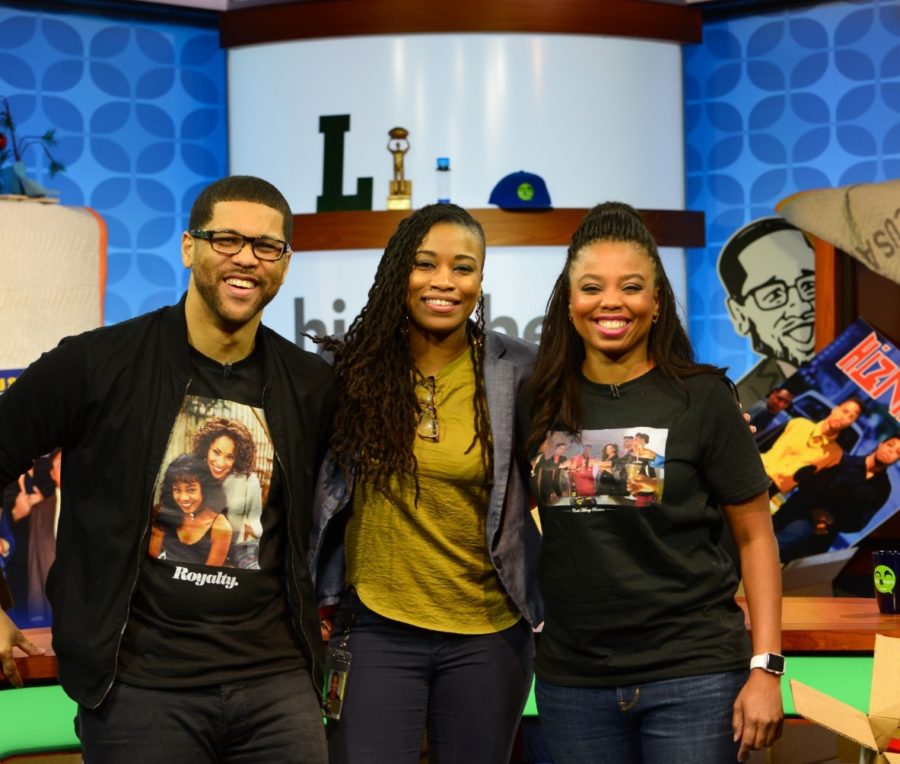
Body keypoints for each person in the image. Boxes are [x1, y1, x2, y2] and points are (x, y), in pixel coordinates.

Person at [0, 175, 336, 763]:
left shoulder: (310, 386)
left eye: (266, 247)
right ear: (189, 247)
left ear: (284, 264)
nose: (246, 259)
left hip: (277, 685)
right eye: (227, 239)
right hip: (139, 689)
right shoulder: (95, 364)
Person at [519, 202, 783, 763]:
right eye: (592, 287)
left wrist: (766, 667)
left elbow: (757, 537)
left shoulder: (704, 397)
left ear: (656, 301)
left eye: (631, 287)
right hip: (572, 681)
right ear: (569, 302)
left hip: (694, 676)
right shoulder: (536, 400)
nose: (611, 302)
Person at [309, 203, 540, 764]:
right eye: (424, 264)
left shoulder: (523, 371)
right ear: (397, 273)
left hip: (489, 636)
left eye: (463, 267)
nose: (444, 282)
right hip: (374, 631)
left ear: (481, 279)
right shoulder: (349, 370)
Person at [717, 217, 815, 406]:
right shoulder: (740, 400)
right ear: (739, 314)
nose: (799, 305)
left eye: (808, 285)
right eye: (773, 294)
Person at [773, 434, 900, 562]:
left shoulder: (883, 489)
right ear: (881, 444)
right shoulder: (843, 461)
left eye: (897, 452)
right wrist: (816, 515)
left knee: (801, 572)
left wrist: (831, 521)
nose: (891, 451)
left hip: (825, 534)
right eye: (890, 445)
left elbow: (860, 522)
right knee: (792, 535)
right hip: (799, 515)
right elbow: (809, 488)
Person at [191, 415, 264, 568]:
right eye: (216, 452)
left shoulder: (249, 481)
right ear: (206, 449)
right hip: (201, 545)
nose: (220, 463)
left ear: (238, 458)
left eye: (230, 457)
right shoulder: (194, 475)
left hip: (239, 550)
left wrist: (249, 529)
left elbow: (257, 526)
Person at [761, 397, 863, 495]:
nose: (844, 418)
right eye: (845, 411)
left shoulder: (835, 455)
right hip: (756, 472)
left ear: (851, 423)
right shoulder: (798, 424)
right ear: (835, 409)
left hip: (770, 492)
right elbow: (760, 442)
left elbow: (811, 487)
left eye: (851, 417)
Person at [149, 453, 233, 567]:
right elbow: (152, 562)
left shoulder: (221, 527)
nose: (183, 498)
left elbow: (209, 576)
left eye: (191, 490)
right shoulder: (163, 513)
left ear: (205, 489)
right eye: (177, 490)